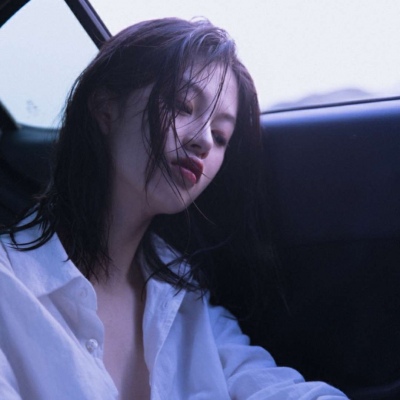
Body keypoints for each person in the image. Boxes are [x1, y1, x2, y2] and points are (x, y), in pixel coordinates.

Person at [0, 18, 348, 399]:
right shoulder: (10, 288)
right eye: (183, 105)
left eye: (221, 136)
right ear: (105, 108)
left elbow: (274, 387)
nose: (204, 142)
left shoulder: (185, 299)